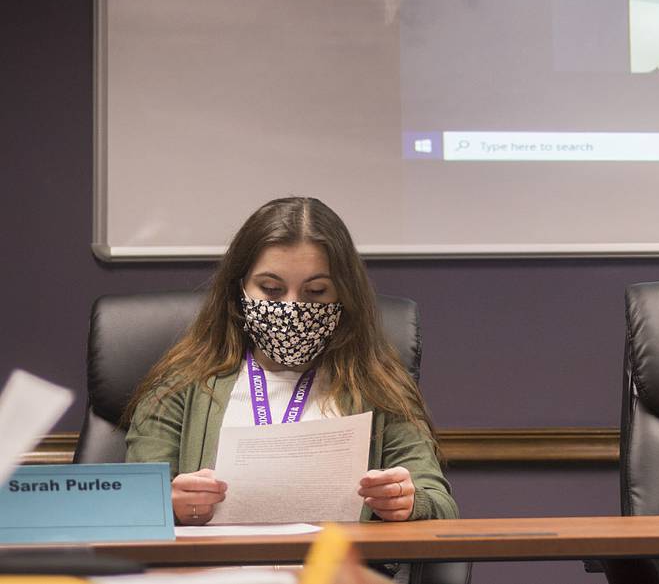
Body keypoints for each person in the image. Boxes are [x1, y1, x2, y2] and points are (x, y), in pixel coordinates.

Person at [124, 197, 458, 526]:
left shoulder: (377, 385)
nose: (292, 308)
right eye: (271, 289)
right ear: (238, 290)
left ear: (344, 295)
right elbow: (130, 508)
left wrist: (408, 501)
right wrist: (171, 505)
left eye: (315, 292)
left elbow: (441, 504)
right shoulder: (181, 384)